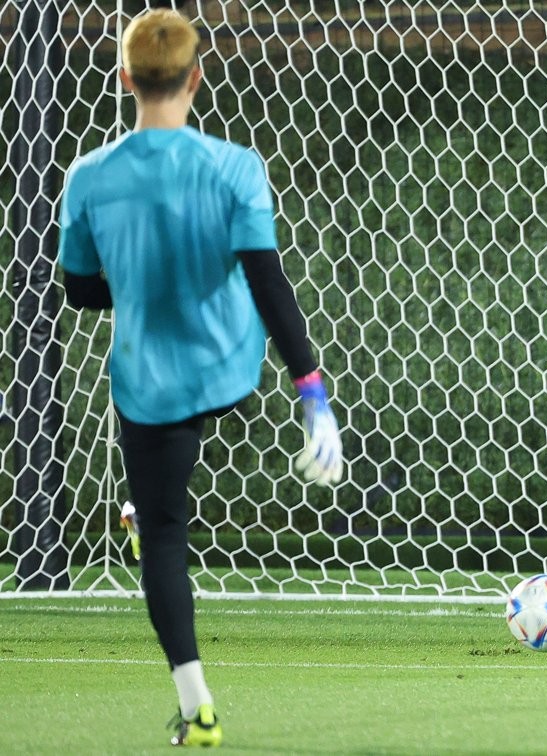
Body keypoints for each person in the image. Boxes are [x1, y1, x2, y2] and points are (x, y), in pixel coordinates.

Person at [58, 9, 343, 747]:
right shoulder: (236, 166)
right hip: (229, 368)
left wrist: (137, 270)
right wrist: (313, 394)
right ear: (196, 77)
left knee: (162, 531)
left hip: (148, 383)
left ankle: (197, 707)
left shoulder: (87, 177)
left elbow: (82, 292)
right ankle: (142, 514)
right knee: (159, 511)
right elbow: (268, 282)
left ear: (125, 79)